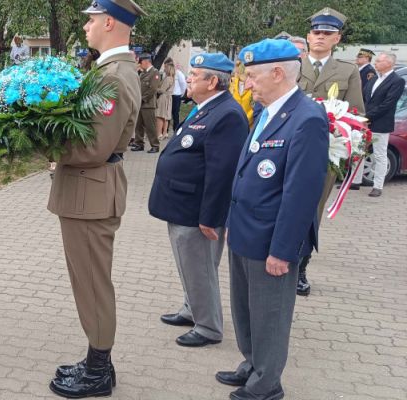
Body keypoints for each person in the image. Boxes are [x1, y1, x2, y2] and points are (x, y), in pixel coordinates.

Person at [216, 39, 329, 400]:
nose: (247, 83)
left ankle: (267, 385)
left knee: (271, 316)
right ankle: (252, 364)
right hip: (245, 232)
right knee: (247, 310)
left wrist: (282, 250)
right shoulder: (267, 112)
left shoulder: (307, 118)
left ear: (277, 73)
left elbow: (300, 196)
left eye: (251, 76)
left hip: (271, 240)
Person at [47, 0, 144, 397]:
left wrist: (46, 142)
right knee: (88, 282)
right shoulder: (110, 69)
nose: (85, 27)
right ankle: (95, 360)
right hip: (89, 192)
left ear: (108, 22)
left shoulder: (113, 76)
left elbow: (92, 149)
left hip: (90, 191)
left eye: (90, 20)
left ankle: (99, 371)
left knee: (92, 284)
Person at [149, 53, 247, 348]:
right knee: (188, 264)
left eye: (194, 74)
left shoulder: (228, 114)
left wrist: (210, 216)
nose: (188, 78)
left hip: (197, 211)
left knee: (201, 267)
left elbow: (222, 172)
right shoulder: (206, 108)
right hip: (181, 204)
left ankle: (208, 327)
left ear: (213, 81)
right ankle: (192, 309)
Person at [296, 7, 365, 296]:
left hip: (323, 153)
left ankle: (300, 266)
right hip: (285, 148)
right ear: (308, 36)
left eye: (327, 33)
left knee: (312, 210)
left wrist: (341, 135)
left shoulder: (347, 71)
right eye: (316, 32)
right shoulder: (291, 63)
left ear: (337, 39)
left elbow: (357, 115)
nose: (320, 37)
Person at [356, 52, 405, 197]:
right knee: (358, 152)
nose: (375, 63)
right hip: (365, 121)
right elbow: (365, 97)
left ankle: (378, 186)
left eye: (378, 61)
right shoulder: (375, 78)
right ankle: (355, 181)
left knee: (379, 155)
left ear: (389, 63)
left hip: (380, 123)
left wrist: (368, 116)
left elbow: (388, 104)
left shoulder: (397, 81)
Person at [131, 52, 160, 152]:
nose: (139, 64)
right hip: (140, 103)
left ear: (146, 61)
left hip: (148, 104)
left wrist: (143, 99)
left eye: (140, 62)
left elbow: (153, 89)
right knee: (138, 125)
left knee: (150, 126)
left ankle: (155, 145)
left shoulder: (154, 72)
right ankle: (139, 144)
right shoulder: (143, 73)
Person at [230, 59, 254, 126]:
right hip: (231, 124)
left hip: (249, 127)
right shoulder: (231, 84)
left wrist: (243, 121)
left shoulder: (254, 85)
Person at [155, 62, 174, 140]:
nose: (164, 69)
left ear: (168, 69)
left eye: (165, 67)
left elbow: (162, 90)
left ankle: (159, 134)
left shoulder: (167, 78)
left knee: (160, 116)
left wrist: (155, 89)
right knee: (166, 117)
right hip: (168, 98)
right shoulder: (172, 78)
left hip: (164, 98)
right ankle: (164, 133)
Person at [170, 60, 187, 132]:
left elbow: (183, 84)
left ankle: (176, 128)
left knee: (175, 113)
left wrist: (182, 94)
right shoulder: (170, 73)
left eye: (177, 65)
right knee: (168, 113)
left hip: (176, 95)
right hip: (170, 95)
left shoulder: (179, 74)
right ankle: (165, 130)